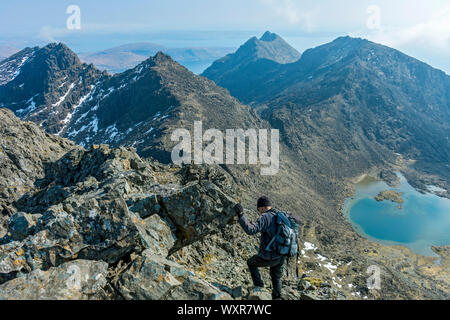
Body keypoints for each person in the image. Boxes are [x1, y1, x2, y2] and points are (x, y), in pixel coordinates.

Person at [235, 196, 299, 300]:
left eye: (259, 210)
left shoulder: (265, 217)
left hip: (270, 256)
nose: (259, 212)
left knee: (251, 263)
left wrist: (241, 215)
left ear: (262, 208)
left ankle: (259, 289)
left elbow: (251, 230)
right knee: (276, 277)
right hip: (282, 254)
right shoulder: (280, 215)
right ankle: (277, 297)